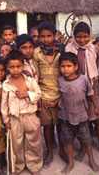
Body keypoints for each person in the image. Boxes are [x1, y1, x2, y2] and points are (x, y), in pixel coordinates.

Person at [65, 21, 99, 159]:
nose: (82, 40)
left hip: (92, 84)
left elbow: (96, 63)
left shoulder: (94, 49)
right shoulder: (68, 49)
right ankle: (84, 147)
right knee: (82, 119)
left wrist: (93, 77)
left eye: (85, 37)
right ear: (73, 36)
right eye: (78, 37)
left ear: (90, 36)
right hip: (77, 86)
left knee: (97, 116)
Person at [58, 52, 99, 173]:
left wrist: (96, 107)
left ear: (76, 66)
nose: (65, 69)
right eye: (62, 66)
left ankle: (91, 160)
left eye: (68, 66)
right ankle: (71, 162)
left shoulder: (83, 79)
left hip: (82, 116)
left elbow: (90, 94)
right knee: (67, 140)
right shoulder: (60, 80)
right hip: (65, 117)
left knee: (86, 139)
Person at [1, 51, 42, 175]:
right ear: (8, 68)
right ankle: (18, 166)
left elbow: (39, 94)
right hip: (14, 119)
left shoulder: (30, 81)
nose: (15, 70)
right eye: (12, 67)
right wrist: (6, 120)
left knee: (33, 142)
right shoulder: (6, 84)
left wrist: (27, 94)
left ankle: (34, 165)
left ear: (23, 66)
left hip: (30, 116)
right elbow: (4, 105)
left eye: (18, 66)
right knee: (16, 144)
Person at [33, 21, 62, 165]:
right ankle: (50, 151)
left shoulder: (61, 50)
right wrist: (39, 97)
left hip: (60, 95)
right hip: (44, 96)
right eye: (42, 36)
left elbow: (65, 73)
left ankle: (62, 149)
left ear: (54, 35)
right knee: (48, 126)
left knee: (61, 125)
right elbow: (35, 77)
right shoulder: (36, 53)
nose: (46, 39)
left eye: (49, 36)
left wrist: (62, 95)